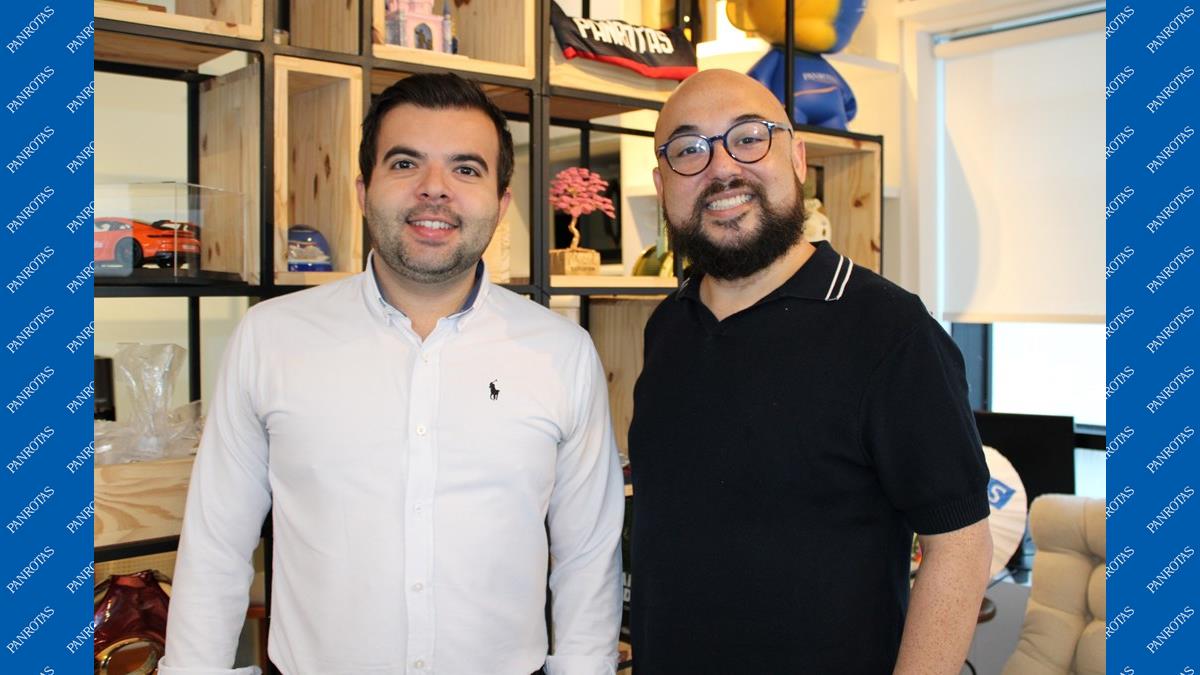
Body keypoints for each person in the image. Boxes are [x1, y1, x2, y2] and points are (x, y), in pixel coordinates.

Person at [161, 73, 624, 675]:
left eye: (466, 169)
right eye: (405, 163)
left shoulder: (562, 352)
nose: (434, 188)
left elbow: (588, 554)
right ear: (363, 190)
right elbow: (217, 544)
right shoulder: (271, 338)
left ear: (501, 203)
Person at [628, 69, 993, 674]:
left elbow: (960, 545)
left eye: (749, 137)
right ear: (663, 184)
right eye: (689, 150)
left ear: (797, 158)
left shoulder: (890, 331)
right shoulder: (668, 327)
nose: (722, 168)